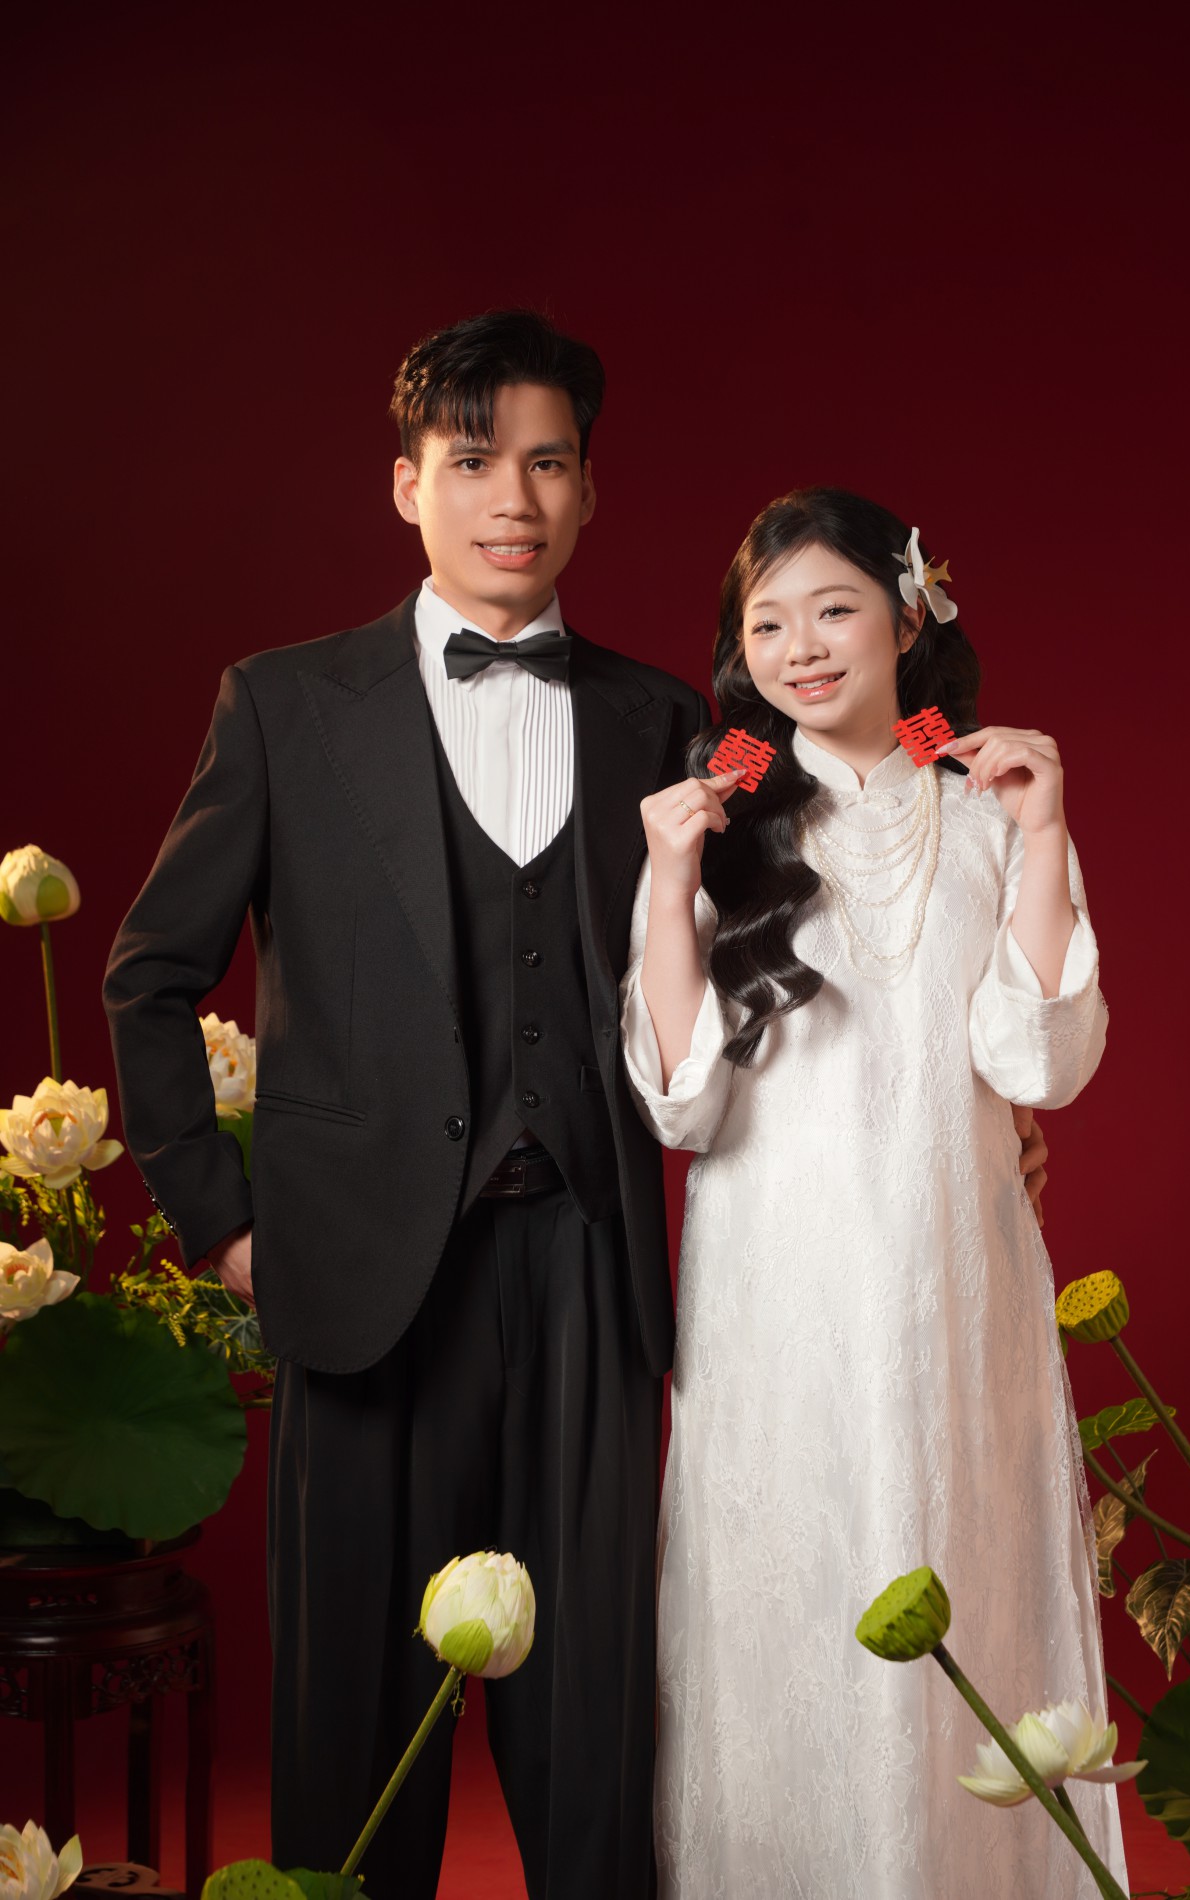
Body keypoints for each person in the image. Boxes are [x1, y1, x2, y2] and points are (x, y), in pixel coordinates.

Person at [102, 310, 710, 1900]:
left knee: (599, 1727)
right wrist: (228, 1230)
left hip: (589, 1267)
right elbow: (147, 978)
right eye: (473, 460)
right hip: (362, 1281)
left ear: (590, 492)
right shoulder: (284, 704)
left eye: (549, 463)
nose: (514, 497)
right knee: (354, 1738)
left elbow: (766, 947)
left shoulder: (657, 719)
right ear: (405, 485)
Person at [621, 486, 1126, 1897]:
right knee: (785, 1601)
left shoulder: (985, 807)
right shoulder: (723, 823)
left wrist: (1042, 834)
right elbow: (681, 1102)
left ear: (910, 618)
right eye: (766, 624)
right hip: (774, 1296)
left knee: (971, 1567)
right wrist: (666, 880)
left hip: (958, 1283)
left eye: (834, 609)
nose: (801, 648)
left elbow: (1039, 1058)